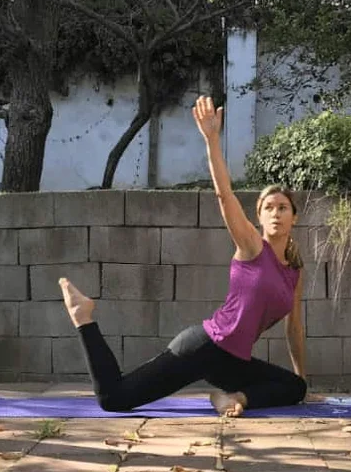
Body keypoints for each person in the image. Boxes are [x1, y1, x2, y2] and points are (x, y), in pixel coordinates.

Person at [58, 95, 308, 417]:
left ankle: (233, 398)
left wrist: (301, 374)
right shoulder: (251, 246)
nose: (276, 213)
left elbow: (294, 328)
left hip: (234, 362)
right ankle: (83, 316)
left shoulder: (294, 272)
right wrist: (212, 140)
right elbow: (225, 196)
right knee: (114, 398)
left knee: (296, 387)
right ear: (258, 217)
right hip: (204, 347)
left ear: (294, 217)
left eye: (283, 208)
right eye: (268, 208)